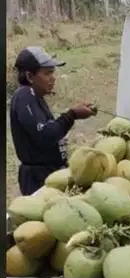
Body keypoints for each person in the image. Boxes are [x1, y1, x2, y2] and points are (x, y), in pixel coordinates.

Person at [10, 47, 96, 195]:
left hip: (49, 174)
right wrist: (72, 115)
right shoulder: (24, 96)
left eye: (53, 73)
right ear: (30, 76)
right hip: (37, 179)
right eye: (47, 73)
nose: (53, 78)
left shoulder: (36, 98)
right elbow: (45, 135)